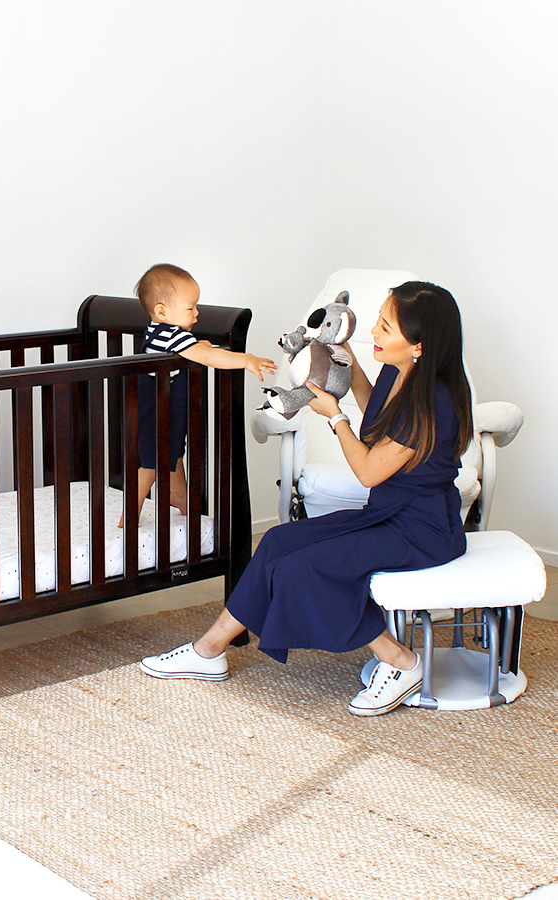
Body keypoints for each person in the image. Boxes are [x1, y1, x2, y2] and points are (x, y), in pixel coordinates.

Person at [140, 281, 474, 716]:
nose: (373, 330)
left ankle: (402, 661)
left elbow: (371, 469)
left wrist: (335, 418)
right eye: (378, 319)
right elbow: (377, 420)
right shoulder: (399, 372)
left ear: (419, 346)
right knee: (278, 542)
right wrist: (348, 363)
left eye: (385, 327)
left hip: (422, 528)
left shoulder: (434, 402)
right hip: (389, 515)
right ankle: (208, 652)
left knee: (305, 567)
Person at [123, 264, 277, 527]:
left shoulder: (159, 333)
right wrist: (246, 359)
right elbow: (206, 356)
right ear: (162, 311)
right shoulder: (172, 336)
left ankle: (181, 500)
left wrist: (198, 344)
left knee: (174, 456)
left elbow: (192, 348)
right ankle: (128, 519)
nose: (197, 313)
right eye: (190, 307)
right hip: (158, 416)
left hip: (162, 413)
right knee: (151, 466)